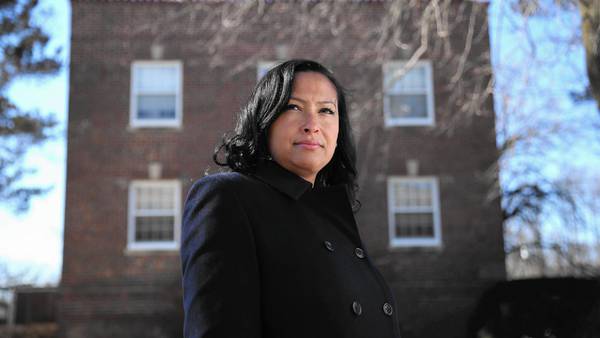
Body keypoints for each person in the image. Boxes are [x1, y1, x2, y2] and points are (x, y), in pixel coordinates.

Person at [180, 59, 401, 338]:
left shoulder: (333, 218)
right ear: (265, 120)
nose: (312, 125)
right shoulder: (228, 197)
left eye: (326, 111)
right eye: (293, 107)